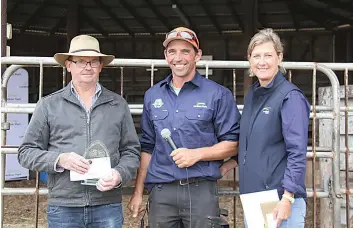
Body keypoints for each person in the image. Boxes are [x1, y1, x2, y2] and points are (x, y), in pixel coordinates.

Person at [18, 34, 141, 228]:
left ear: (101, 66)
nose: (88, 66)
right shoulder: (49, 105)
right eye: (81, 61)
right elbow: (26, 152)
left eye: (93, 61)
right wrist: (60, 160)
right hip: (64, 205)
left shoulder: (117, 104)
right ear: (68, 65)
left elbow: (131, 151)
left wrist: (119, 174)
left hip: (107, 204)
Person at [128, 27, 241, 228]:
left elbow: (233, 144)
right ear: (165, 56)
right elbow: (147, 147)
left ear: (197, 55)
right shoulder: (153, 95)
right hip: (162, 192)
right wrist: (138, 193)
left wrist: (197, 154)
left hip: (200, 191)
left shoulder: (218, 95)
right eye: (172, 51)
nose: (178, 58)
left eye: (185, 51)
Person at [221, 28, 309, 228]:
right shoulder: (253, 94)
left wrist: (288, 197)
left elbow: (297, 151)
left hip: (277, 197)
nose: (262, 62)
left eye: (268, 55)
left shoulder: (290, 97)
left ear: (279, 58)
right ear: (250, 60)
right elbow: (252, 139)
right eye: (256, 56)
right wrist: (229, 164)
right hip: (254, 196)